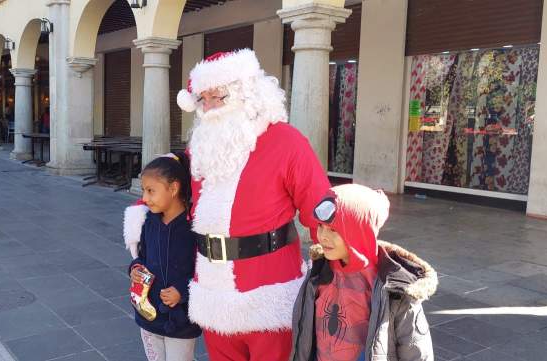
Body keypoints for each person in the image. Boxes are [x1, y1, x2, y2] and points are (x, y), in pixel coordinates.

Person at [124, 49, 331, 360]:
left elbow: (321, 209)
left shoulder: (287, 141)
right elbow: (165, 178)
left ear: (247, 93)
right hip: (212, 293)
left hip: (269, 293)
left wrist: (345, 268)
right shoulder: (201, 148)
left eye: (218, 96)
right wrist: (139, 211)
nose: (208, 107)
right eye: (202, 99)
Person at [290, 184, 436, 361]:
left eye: (333, 230)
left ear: (358, 231)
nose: (323, 236)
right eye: (320, 226)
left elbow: (415, 350)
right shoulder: (318, 273)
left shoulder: (395, 288)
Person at [127, 152, 201, 361]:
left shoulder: (193, 227)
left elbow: (204, 270)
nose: (145, 198)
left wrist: (182, 291)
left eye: (151, 191)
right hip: (148, 314)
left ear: (174, 188)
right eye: (144, 190)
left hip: (181, 320)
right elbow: (142, 256)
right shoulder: (149, 222)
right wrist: (135, 268)